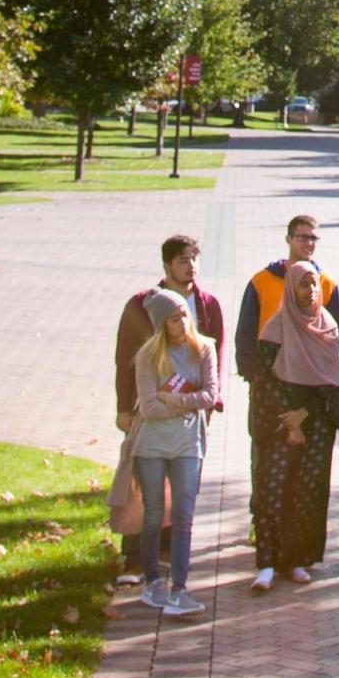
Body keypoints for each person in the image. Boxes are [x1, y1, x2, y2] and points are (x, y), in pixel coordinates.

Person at [109, 236, 225, 587]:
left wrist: (210, 405)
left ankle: (165, 555)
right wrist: (123, 407)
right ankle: (133, 558)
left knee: (180, 485)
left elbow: (216, 355)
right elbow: (125, 355)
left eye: (194, 259)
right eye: (181, 260)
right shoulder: (141, 305)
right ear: (166, 266)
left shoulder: (207, 306)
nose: (190, 266)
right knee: (142, 483)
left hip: (189, 417)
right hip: (149, 409)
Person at [235, 215, 339, 532]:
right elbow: (246, 336)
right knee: (266, 456)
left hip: (310, 394)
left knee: (306, 466)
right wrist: (258, 380)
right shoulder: (262, 281)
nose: (307, 243)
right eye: (301, 236)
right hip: (270, 388)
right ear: (288, 239)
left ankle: (295, 533)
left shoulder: (327, 285)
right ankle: (262, 520)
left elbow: (332, 342)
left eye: (312, 238)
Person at [248, 261, 339, 592]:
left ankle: (296, 560)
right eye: (303, 285)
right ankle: (267, 563)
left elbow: (331, 383)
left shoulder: (327, 328)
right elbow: (263, 380)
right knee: (272, 491)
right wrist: (289, 420)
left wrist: (303, 417)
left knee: (306, 492)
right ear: (291, 289)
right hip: (277, 421)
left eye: (315, 285)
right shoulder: (274, 330)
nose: (310, 292)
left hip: (316, 422)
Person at [131, 289, 220, 617]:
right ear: (160, 325)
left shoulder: (205, 349)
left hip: (187, 443)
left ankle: (180, 588)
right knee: (154, 513)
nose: (183, 323)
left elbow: (210, 395)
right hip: (151, 445)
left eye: (185, 314)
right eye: (173, 318)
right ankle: (153, 581)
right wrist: (179, 402)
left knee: (184, 514)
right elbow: (148, 408)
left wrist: (173, 400)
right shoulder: (147, 356)